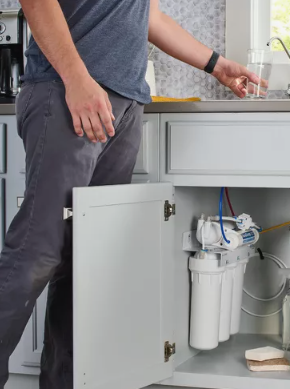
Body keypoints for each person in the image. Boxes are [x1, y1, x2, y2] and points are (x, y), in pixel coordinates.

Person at [0, 0, 260, 388]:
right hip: (68, 94)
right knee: (37, 251)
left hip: (122, 105)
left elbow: (151, 17)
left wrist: (217, 65)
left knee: (85, 260)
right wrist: (76, 79)